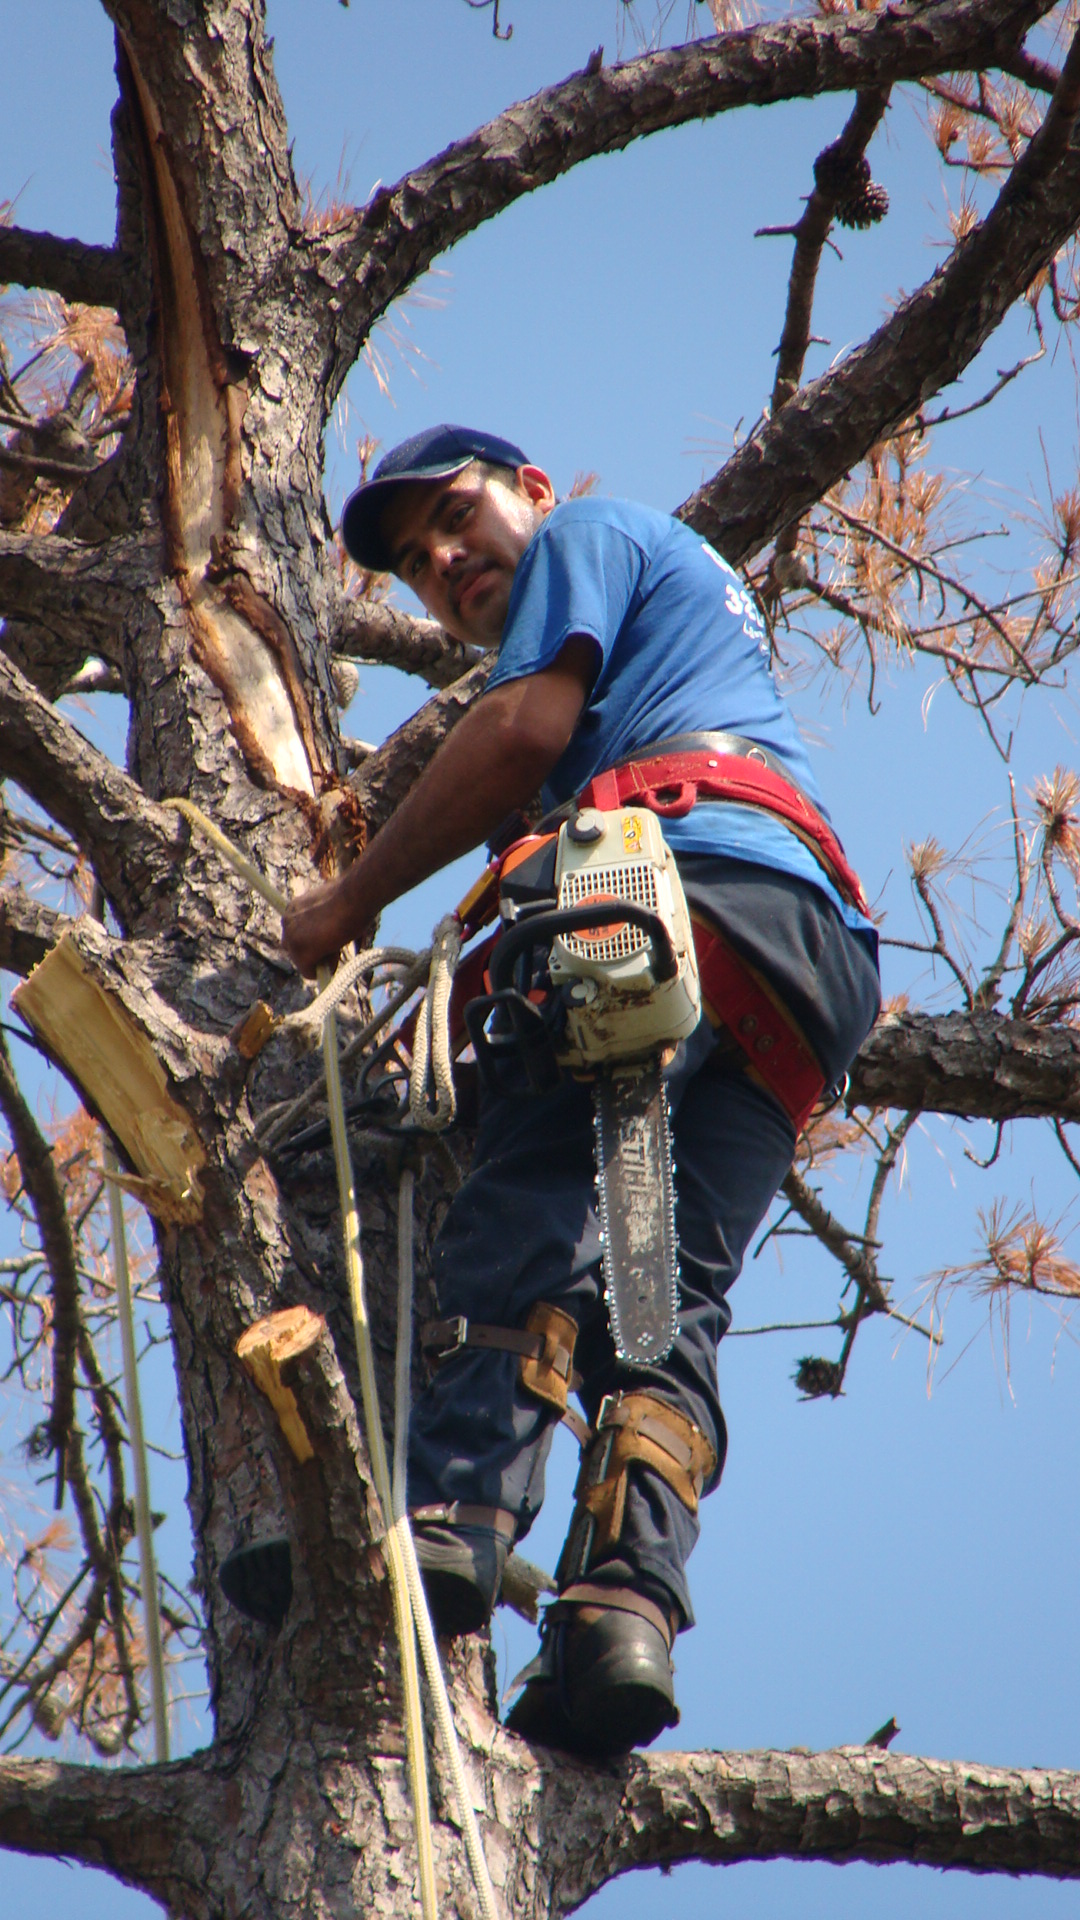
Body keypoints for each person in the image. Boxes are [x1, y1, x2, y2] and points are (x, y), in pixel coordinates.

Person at [282, 425, 881, 1759]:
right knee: (664, 1296)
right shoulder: (682, 638)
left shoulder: (589, 539)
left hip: (677, 876)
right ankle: (621, 1612)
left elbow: (520, 728)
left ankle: (447, 1523)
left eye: (455, 517)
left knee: (531, 1199)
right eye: (418, 565)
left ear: (533, 493)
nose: (445, 560)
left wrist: (345, 903)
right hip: (808, 960)